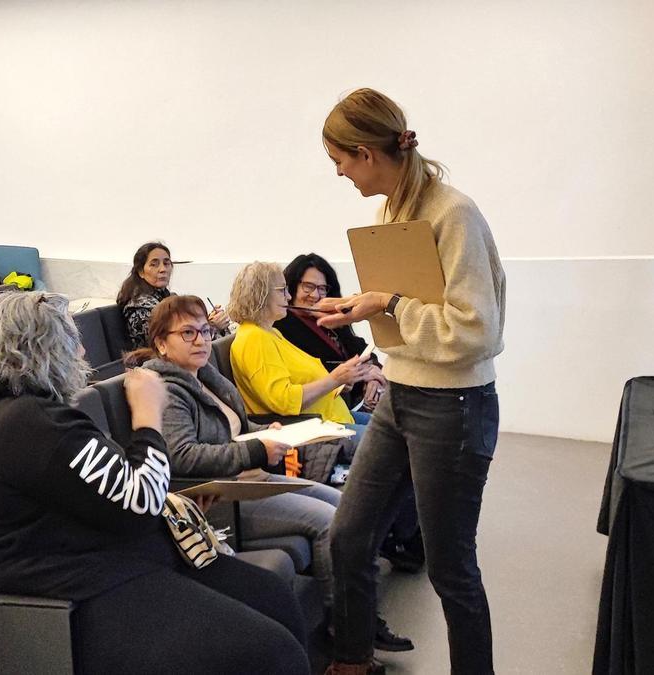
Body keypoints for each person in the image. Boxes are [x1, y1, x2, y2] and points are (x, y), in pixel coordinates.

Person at [0, 291, 309, 675]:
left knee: (272, 595)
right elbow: (139, 504)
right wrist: (148, 414)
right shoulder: (30, 423)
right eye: (73, 342)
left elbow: (101, 490)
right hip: (75, 589)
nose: (83, 352)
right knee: (272, 654)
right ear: (45, 350)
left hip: (108, 557)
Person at [317, 88, 506, 675]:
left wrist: (388, 302)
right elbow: (406, 314)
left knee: (451, 568)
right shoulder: (390, 215)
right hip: (402, 396)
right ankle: (353, 660)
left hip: (453, 406)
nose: (341, 173)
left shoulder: (453, 213)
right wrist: (365, 308)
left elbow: (477, 330)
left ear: (368, 153)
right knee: (348, 537)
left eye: (341, 161)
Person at [132, 294, 411, 654]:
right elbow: (181, 457)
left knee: (343, 505)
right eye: (187, 333)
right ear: (160, 343)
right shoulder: (167, 389)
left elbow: (231, 427)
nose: (201, 339)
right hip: (219, 498)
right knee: (331, 522)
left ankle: (361, 617)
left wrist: (264, 430)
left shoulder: (204, 377)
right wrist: (256, 448)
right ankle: (347, 636)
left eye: (203, 330)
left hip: (246, 478)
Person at [277, 253, 425, 575]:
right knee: (398, 445)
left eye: (322, 288)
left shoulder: (332, 319)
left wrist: (374, 375)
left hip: (351, 400)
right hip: (329, 408)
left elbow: (361, 351)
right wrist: (360, 377)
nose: (315, 295)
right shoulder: (283, 327)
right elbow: (316, 379)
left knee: (411, 435)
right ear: (289, 288)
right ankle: (399, 536)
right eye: (307, 287)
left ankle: (406, 531)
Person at [227, 261, 375, 433]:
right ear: (261, 294)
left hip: (332, 418)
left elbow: (298, 380)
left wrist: (339, 382)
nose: (289, 297)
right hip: (318, 429)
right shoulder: (254, 338)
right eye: (282, 290)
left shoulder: (270, 332)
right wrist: (334, 379)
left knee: (396, 433)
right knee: (395, 445)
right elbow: (283, 400)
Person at [116, 241, 232, 350]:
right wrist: (211, 327)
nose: (163, 269)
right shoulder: (139, 308)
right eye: (154, 264)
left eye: (166, 263)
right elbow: (171, 343)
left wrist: (206, 321)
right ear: (141, 271)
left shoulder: (169, 298)